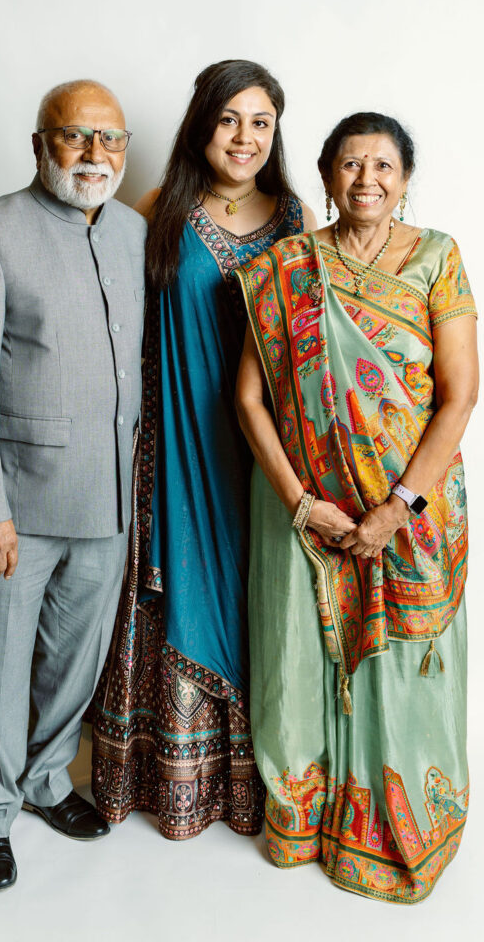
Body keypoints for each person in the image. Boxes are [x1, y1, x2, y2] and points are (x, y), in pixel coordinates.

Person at [235, 112, 478, 903]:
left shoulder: (437, 258)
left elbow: (458, 396)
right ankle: (308, 817)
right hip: (306, 515)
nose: (365, 179)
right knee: (300, 657)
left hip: (410, 510)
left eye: (381, 165)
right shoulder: (285, 268)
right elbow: (247, 399)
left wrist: (396, 508)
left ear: (404, 179)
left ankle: (397, 821)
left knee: (404, 664)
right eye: (349, 164)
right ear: (325, 175)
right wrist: (300, 504)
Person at [91, 60, 316, 839]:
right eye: (228, 119)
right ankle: (166, 781)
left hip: (264, 455)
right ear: (200, 125)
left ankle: (259, 784)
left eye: (261, 122)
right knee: (177, 587)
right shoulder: (158, 210)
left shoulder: (295, 219)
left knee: (261, 596)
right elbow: (103, 316)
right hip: (174, 446)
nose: (244, 137)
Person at [0, 79, 146, 892]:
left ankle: (47, 781)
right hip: (15, 507)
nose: (95, 154)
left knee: (75, 665)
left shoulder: (131, 232)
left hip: (107, 498)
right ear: (39, 144)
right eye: (75, 135)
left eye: (110, 138)